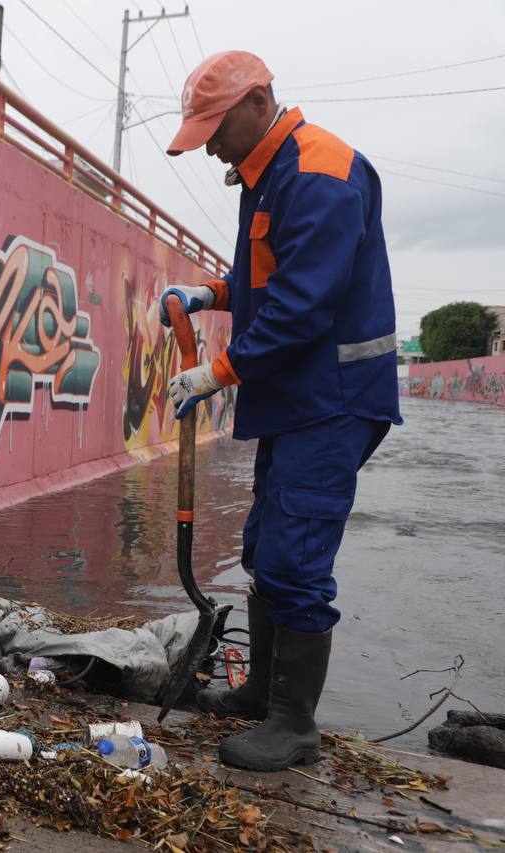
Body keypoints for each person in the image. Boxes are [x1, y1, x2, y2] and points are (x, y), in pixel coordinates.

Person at [157, 51, 401, 771]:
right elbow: (264, 277)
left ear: (258, 100)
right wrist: (211, 292)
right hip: (296, 397)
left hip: (332, 399)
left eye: (214, 128)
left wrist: (216, 370)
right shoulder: (268, 177)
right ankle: (264, 691)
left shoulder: (321, 172)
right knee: (265, 546)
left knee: (295, 557)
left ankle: (294, 725)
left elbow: (301, 302)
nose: (209, 146)